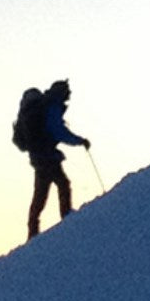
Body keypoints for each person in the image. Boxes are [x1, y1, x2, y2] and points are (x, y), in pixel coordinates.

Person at [17, 79, 90, 240]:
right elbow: (58, 131)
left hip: (38, 158)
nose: (68, 95)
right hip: (48, 157)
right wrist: (79, 141)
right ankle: (66, 219)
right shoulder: (51, 106)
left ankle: (33, 231)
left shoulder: (37, 109)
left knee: (41, 194)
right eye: (67, 92)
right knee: (62, 185)